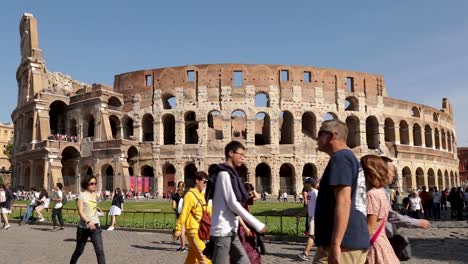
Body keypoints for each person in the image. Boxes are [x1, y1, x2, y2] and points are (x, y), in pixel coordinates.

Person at [313, 120, 369, 264]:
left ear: (332, 136)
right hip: (351, 240)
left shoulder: (341, 158)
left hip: (344, 244)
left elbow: (344, 201)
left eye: (320, 133)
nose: (316, 138)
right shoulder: (349, 158)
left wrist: (335, 244)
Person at [207, 141, 267, 264]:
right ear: (231, 153)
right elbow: (232, 203)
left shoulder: (230, 174)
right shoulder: (224, 174)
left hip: (231, 229)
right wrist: (258, 225)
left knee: (244, 262)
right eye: (241, 155)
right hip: (223, 231)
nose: (243, 158)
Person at [361, 155, 399, 264]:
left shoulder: (371, 195)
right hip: (381, 242)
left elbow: (370, 229)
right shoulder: (381, 192)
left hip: (374, 246)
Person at [173, 172, 211, 264]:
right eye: (204, 182)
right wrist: (178, 230)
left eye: (207, 182)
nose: (205, 184)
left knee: (191, 259)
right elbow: (184, 214)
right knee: (205, 259)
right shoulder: (190, 195)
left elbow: (207, 210)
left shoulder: (201, 195)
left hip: (200, 230)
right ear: (197, 180)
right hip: (193, 231)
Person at [70, 175, 106, 264]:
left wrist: (99, 211)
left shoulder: (95, 195)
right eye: (92, 183)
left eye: (95, 183)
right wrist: (88, 221)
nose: (94, 185)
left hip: (96, 227)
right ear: (86, 184)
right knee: (79, 250)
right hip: (83, 227)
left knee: (100, 251)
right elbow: (81, 212)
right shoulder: (81, 196)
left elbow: (93, 207)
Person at [238, 183, 262, 263]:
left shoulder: (245, 199)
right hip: (242, 226)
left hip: (247, 225)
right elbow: (238, 216)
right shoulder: (239, 200)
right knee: (244, 246)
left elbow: (258, 197)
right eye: (248, 192)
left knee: (250, 246)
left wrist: (252, 188)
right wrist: (245, 227)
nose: (249, 194)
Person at [296, 177, 318, 261]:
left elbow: (322, 204)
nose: (304, 184)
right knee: (314, 236)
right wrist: (300, 214)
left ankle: (305, 253)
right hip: (310, 217)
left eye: (305, 182)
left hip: (315, 217)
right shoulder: (309, 193)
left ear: (310, 183)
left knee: (311, 236)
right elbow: (308, 206)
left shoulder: (316, 192)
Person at [172, 181, 187, 252]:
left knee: (182, 231)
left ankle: (183, 247)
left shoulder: (175, 195)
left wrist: (177, 213)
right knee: (183, 231)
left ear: (178, 186)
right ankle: (182, 246)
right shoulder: (186, 194)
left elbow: (173, 206)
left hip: (179, 214)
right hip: (186, 214)